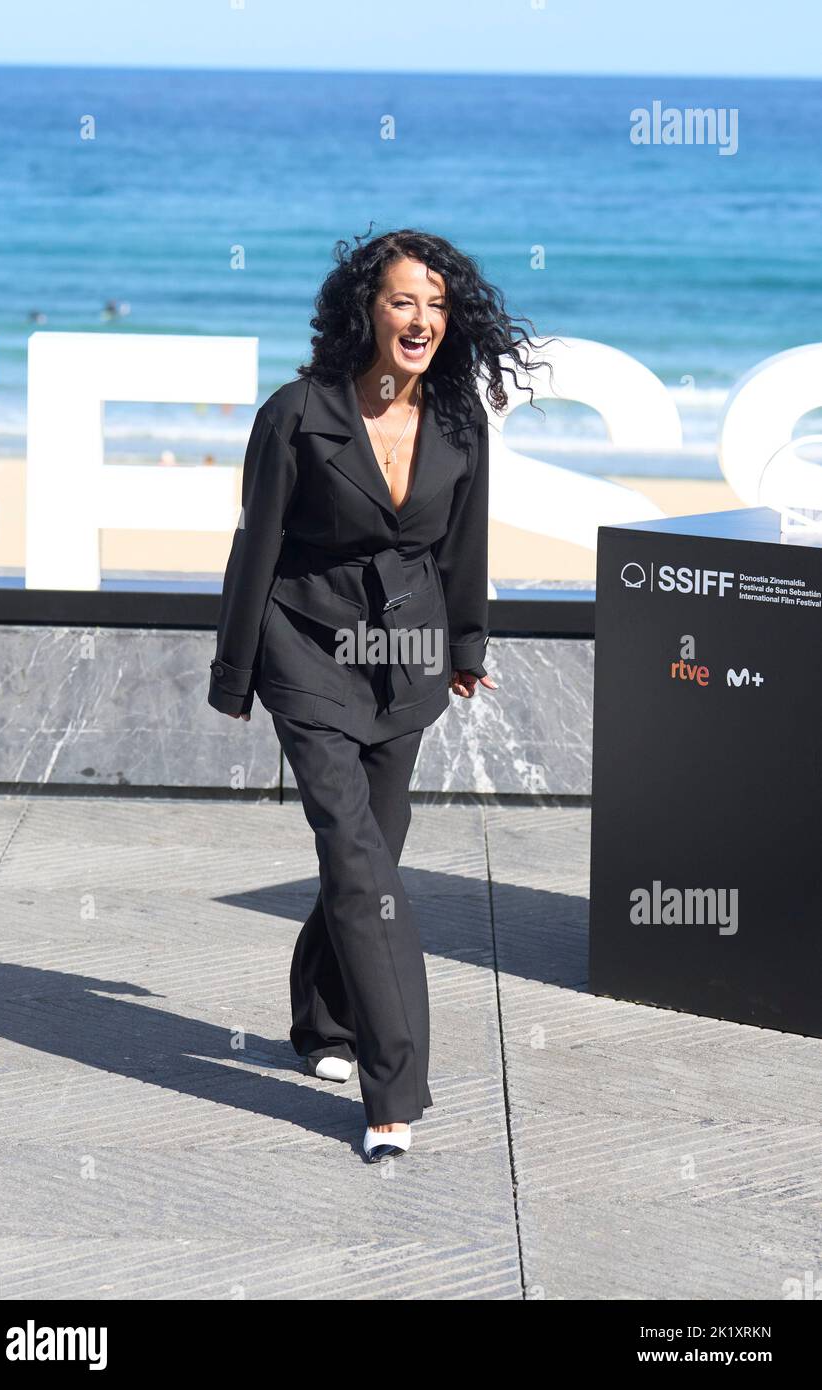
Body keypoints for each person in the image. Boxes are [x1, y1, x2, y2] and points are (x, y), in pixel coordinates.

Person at [208, 228, 546, 1162]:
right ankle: (391, 1089)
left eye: (437, 306)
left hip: (407, 656)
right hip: (306, 647)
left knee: (374, 848)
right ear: (365, 308)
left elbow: (462, 545)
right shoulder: (296, 414)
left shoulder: (457, 420)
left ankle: (320, 1019)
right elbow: (256, 548)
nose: (422, 321)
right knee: (362, 864)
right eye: (404, 301)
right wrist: (236, 674)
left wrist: (467, 643)